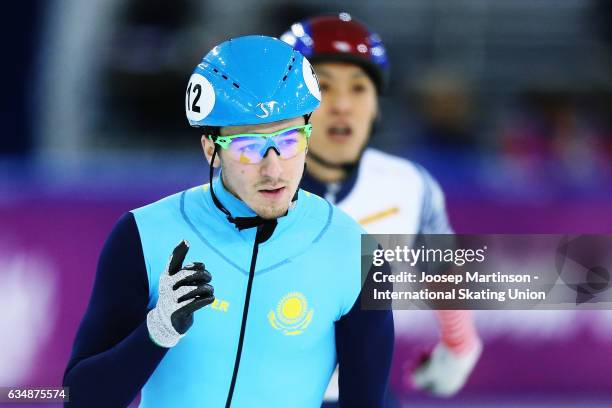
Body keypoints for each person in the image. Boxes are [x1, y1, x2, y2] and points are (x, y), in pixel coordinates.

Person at [63, 35, 393, 407]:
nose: (273, 169)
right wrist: (158, 331)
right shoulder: (145, 235)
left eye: (288, 141)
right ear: (211, 149)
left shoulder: (356, 252)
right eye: (249, 147)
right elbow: (79, 399)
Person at [281, 13, 482, 400]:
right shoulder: (241, 188)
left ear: (376, 106)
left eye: (358, 89)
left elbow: (442, 269)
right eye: (321, 87)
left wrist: (459, 347)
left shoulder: (409, 185)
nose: (341, 106)